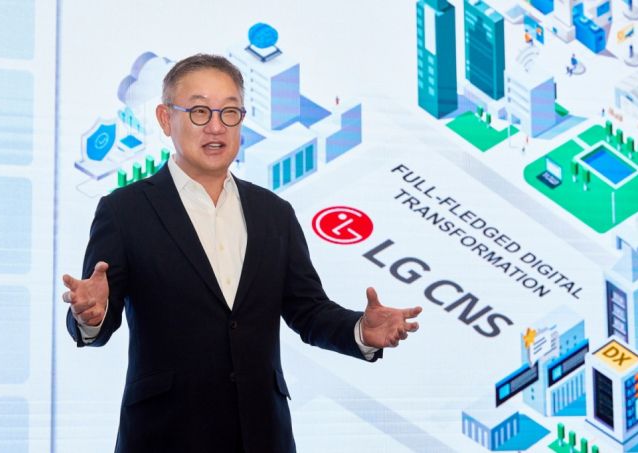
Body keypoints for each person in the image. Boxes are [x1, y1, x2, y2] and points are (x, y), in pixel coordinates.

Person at [61, 54, 422, 453]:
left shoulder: (274, 213)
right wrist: (89, 316)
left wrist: (361, 331)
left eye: (229, 112)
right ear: (165, 119)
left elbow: (308, 311)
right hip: (164, 435)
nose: (216, 126)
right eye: (199, 111)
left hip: (263, 434)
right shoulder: (124, 211)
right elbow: (98, 320)